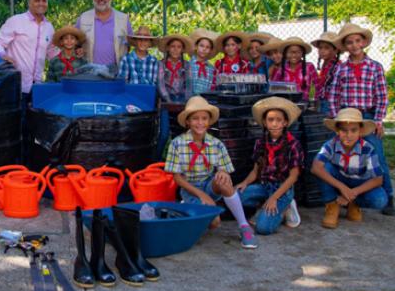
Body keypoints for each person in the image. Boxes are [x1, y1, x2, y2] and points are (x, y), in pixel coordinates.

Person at [164, 96, 258, 249]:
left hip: (209, 185)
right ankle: (189, 210)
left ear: (209, 121)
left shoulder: (216, 144)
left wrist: (223, 173)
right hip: (190, 189)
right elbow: (177, 178)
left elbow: (224, 168)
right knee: (214, 223)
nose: (200, 123)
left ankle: (244, 226)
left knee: (224, 181)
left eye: (204, 118)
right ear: (187, 121)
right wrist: (202, 195)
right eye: (195, 118)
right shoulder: (177, 144)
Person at [327, 23, 393, 215]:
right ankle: (339, 195)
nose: (354, 45)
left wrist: (378, 120)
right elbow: (334, 95)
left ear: (363, 42)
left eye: (357, 41)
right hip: (347, 117)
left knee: (377, 155)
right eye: (349, 42)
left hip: (367, 116)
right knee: (341, 154)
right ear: (345, 46)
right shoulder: (341, 70)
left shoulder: (375, 67)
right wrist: (335, 118)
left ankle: (389, 196)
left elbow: (381, 96)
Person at [236, 97, 303, 234]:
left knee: (263, 228)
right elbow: (256, 170)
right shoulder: (261, 142)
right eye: (270, 120)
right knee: (235, 196)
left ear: (285, 122)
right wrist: (244, 182)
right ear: (265, 123)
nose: (274, 124)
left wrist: (274, 198)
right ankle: (265, 206)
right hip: (265, 186)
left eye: (278, 120)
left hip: (282, 189)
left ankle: (285, 208)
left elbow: (293, 177)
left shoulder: (293, 144)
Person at [312, 108, 388, 228]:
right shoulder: (331, 144)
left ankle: (354, 203)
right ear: (337, 131)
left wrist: (352, 193)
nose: (349, 135)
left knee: (380, 200)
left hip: (359, 184)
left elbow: (378, 179)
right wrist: (342, 188)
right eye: (344, 130)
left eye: (354, 130)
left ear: (360, 131)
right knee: (323, 167)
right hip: (340, 180)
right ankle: (332, 204)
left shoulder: (368, 148)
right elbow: (315, 168)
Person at [0, 0, 58, 100]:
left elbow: (53, 53)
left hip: (37, 86)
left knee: (33, 117)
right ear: (29, 2)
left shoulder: (49, 27)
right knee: (14, 117)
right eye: (37, 0)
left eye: (44, 1)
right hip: (15, 84)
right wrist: (2, 55)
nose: (41, 3)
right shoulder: (16, 21)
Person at [75, 0, 133, 73]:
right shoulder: (83, 18)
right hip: (89, 72)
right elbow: (75, 43)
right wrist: (78, 50)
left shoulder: (124, 19)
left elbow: (130, 45)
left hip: (116, 73)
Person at [156, 34, 192, 160]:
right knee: (164, 133)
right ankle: (156, 160)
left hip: (182, 100)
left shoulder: (186, 65)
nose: (175, 49)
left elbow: (188, 85)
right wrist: (168, 100)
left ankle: (180, 161)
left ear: (182, 49)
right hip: (166, 100)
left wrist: (186, 101)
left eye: (179, 47)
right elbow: (160, 83)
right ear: (168, 48)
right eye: (173, 46)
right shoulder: (161, 64)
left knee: (182, 132)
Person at [311, 31, 340, 114]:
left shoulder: (338, 66)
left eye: (326, 48)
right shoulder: (325, 64)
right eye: (320, 48)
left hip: (331, 103)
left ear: (336, 50)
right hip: (322, 100)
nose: (322, 51)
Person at [186, 29, 219, 97]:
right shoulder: (187, 65)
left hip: (206, 102)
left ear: (210, 50)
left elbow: (212, 87)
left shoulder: (212, 69)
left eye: (207, 47)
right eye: (201, 46)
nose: (204, 49)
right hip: (189, 101)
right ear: (196, 47)